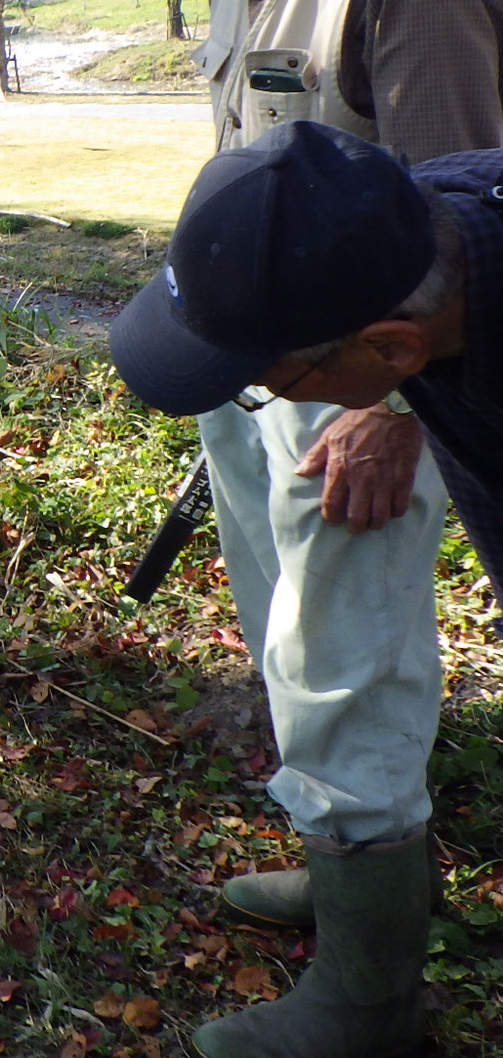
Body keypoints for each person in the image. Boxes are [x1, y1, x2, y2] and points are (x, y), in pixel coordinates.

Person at [68, 0, 503, 1058]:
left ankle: (371, 1002)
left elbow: (457, 221)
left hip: (368, 387)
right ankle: (340, 863)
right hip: (270, 364)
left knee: (351, 667)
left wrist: (387, 417)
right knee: (286, 641)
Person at [111, 122, 503, 1057]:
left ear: (392, 354)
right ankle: (366, 899)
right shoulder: (435, 212)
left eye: (269, 381)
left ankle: (378, 1013)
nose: (269, 400)